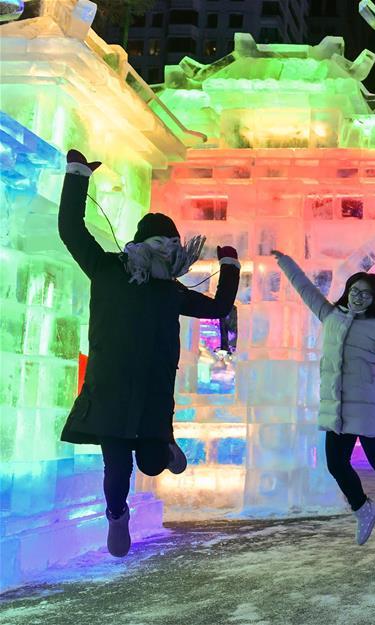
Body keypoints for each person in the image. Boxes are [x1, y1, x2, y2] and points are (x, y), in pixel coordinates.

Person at [58, 149, 241, 556]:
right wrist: (77, 177)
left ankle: (165, 448)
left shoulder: (170, 291)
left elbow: (216, 308)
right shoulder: (106, 269)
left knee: (152, 462)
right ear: (141, 244)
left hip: (154, 392)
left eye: (173, 244)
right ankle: (116, 515)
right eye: (161, 243)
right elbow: (72, 229)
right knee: (117, 466)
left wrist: (229, 265)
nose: (169, 250)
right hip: (109, 388)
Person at [273, 251, 375, 545]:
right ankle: (363, 507)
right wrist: (285, 261)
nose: (359, 297)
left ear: (374, 298)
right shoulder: (330, 315)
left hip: (368, 405)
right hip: (338, 407)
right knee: (336, 464)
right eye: (355, 291)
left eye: (366, 293)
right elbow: (305, 288)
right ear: (348, 291)